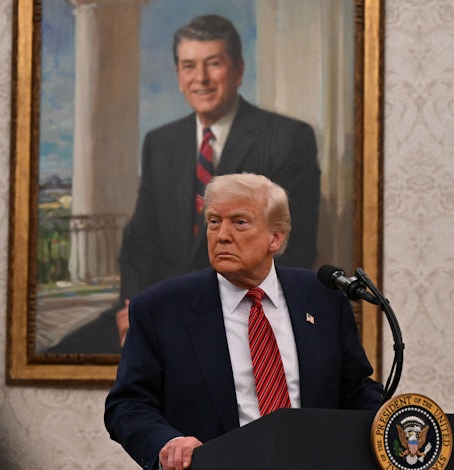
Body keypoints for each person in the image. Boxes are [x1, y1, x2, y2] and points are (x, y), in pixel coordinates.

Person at [104, 173, 383, 470]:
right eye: (213, 222)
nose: (222, 235)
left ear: (275, 238)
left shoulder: (322, 298)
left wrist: (389, 423)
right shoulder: (161, 308)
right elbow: (128, 405)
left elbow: (353, 389)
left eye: (239, 222)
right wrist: (167, 443)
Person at [46, 14, 320, 355]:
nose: (200, 78)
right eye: (189, 66)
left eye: (213, 64)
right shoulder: (161, 143)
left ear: (237, 70)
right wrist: (135, 307)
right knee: (60, 353)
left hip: (240, 318)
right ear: (178, 76)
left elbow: (292, 251)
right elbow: (138, 245)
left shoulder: (287, 139)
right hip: (157, 309)